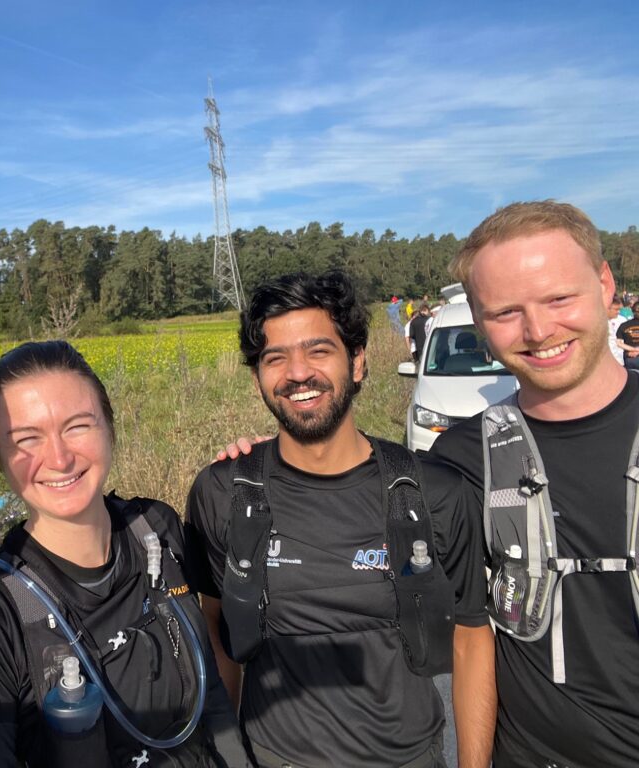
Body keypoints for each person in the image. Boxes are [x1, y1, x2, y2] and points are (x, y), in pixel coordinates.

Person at [185, 271, 495, 768]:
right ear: (258, 376)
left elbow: (471, 637)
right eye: (275, 358)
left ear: (358, 361)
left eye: (319, 351)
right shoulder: (222, 493)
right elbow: (217, 630)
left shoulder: (433, 492)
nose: (297, 373)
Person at [0, 341, 249, 768]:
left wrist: (266, 463)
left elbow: (211, 696)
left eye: (78, 426)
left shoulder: (157, 530)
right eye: (26, 439)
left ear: (109, 426)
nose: (60, 458)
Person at [430, 200, 639, 767]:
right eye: (505, 312)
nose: (539, 330)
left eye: (558, 298)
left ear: (604, 285)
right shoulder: (462, 459)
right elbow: (470, 638)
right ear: (478, 323)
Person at [608, 294, 626, 364]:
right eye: (616, 309)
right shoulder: (598, 322)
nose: (618, 312)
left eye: (619, 309)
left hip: (619, 361)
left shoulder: (622, 320)